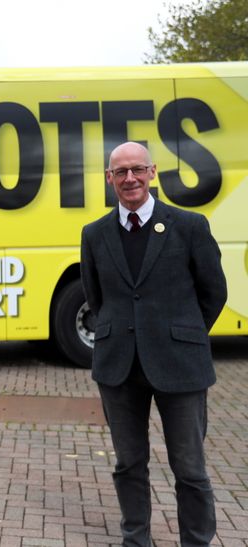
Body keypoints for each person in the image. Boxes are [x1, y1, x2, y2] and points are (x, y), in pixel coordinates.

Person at [80, 142, 228, 546]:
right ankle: (136, 539)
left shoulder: (189, 226)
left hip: (180, 366)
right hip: (118, 368)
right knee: (129, 465)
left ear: (153, 172)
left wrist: (183, 334)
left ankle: (196, 541)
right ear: (109, 179)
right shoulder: (94, 234)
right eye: (120, 172)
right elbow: (97, 299)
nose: (130, 178)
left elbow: (213, 292)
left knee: (190, 468)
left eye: (137, 169)